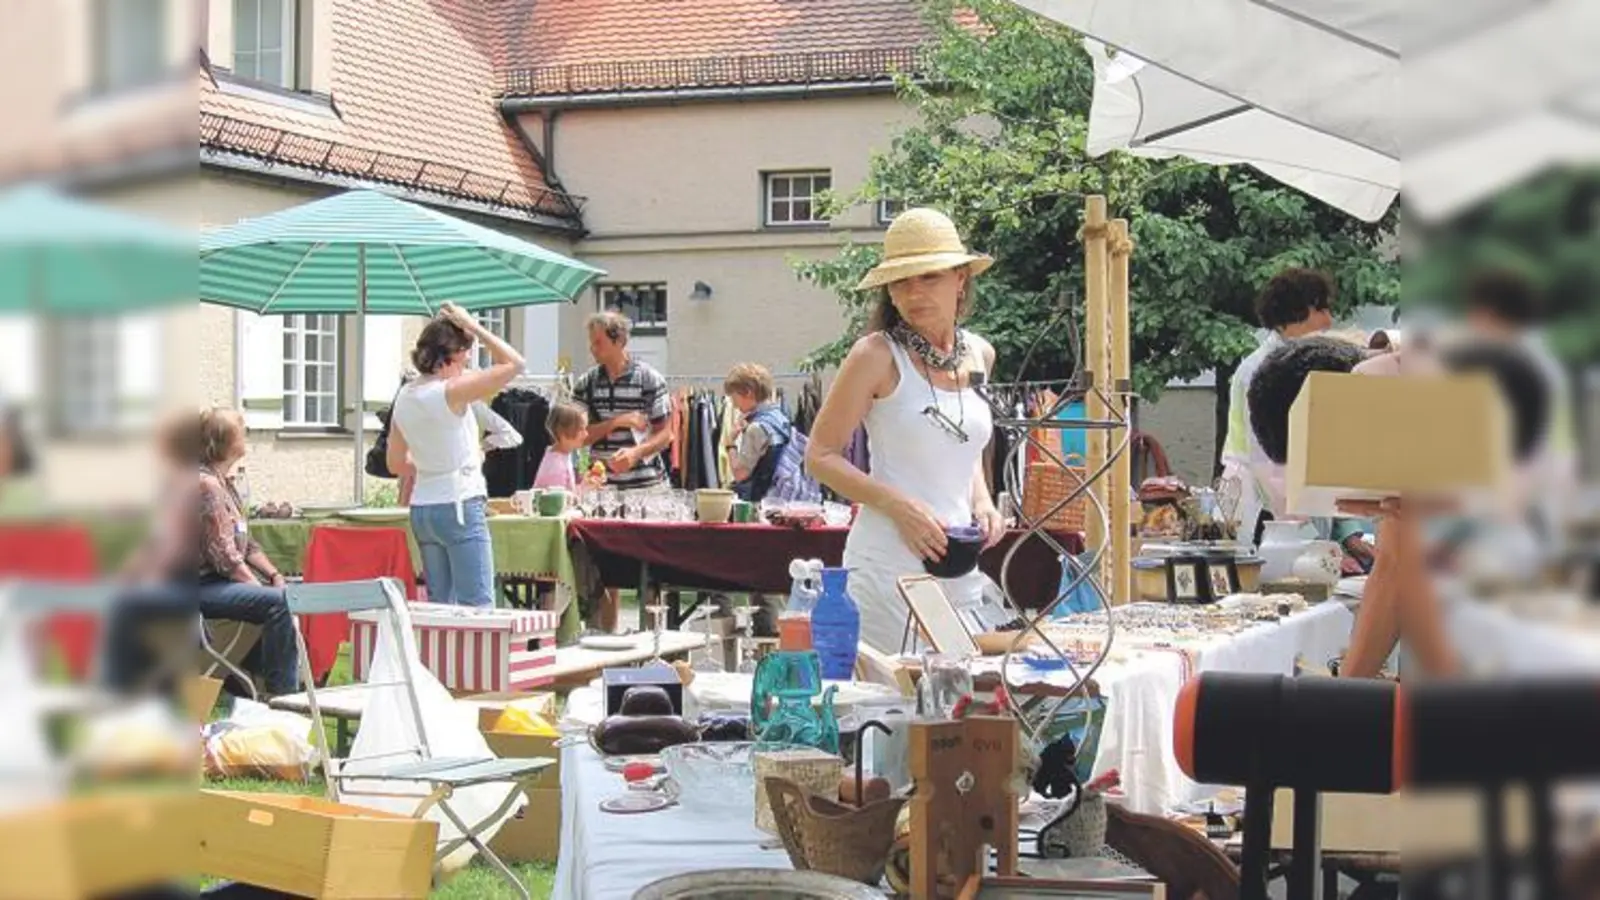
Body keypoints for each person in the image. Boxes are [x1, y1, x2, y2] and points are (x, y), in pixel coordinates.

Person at [805, 208, 1005, 653]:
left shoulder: (980, 355)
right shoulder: (875, 355)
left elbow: (962, 444)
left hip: (958, 562)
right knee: (898, 705)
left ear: (961, 279)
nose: (914, 293)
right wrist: (899, 506)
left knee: (968, 700)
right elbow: (819, 455)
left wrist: (982, 500)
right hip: (887, 566)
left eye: (928, 277)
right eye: (901, 281)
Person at [388, 303, 525, 607]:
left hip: (423, 507)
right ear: (449, 355)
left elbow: (395, 463)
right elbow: (514, 363)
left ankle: (440, 657)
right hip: (460, 502)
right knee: (477, 606)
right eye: (465, 352)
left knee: (441, 607)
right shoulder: (452, 389)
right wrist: (473, 326)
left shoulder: (405, 396)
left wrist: (433, 463)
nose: (467, 360)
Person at [572, 311, 674, 633]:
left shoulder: (650, 380)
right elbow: (579, 435)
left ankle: (651, 638)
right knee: (603, 567)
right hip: (603, 488)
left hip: (646, 488)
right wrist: (616, 423)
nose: (593, 349)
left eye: (598, 343)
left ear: (619, 341)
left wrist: (635, 453)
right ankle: (605, 639)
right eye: (591, 343)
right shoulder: (586, 383)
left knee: (651, 564)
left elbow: (665, 434)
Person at [1220, 268, 1337, 545]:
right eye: (1320, 309)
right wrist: (1301, 525)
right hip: (1265, 510)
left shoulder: (1306, 364)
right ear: (1293, 314)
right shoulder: (1260, 370)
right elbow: (1264, 455)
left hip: (1296, 505)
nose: (1329, 320)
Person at [193, 408, 300, 697]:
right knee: (278, 603)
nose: (247, 436)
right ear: (224, 441)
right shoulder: (207, 486)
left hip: (219, 582)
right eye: (242, 431)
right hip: (198, 586)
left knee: (283, 594)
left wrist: (274, 575)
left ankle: (246, 688)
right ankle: (283, 696)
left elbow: (247, 543)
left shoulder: (226, 484)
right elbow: (224, 556)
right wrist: (256, 586)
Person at [725, 363, 793, 504]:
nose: (734, 405)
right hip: (785, 496)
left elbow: (740, 474)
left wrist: (730, 444)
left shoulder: (756, 428)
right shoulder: (780, 417)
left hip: (764, 502)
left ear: (748, 392)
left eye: (734, 397)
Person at [533, 400, 588, 491]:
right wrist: (585, 488)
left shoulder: (563, 454)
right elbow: (559, 502)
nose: (586, 434)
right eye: (580, 429)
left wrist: (585, 484)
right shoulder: (556, 466)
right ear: (562, 432)